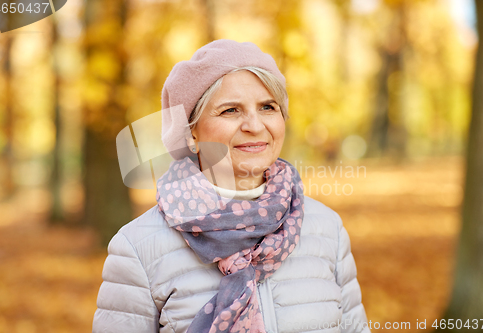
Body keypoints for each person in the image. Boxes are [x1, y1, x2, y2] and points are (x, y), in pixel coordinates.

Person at [92, 39, 370, 333]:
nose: (254, 125)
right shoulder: (138, 248)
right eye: (230, 111)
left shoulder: (326, 229)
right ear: (191, 133)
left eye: (267, 107)